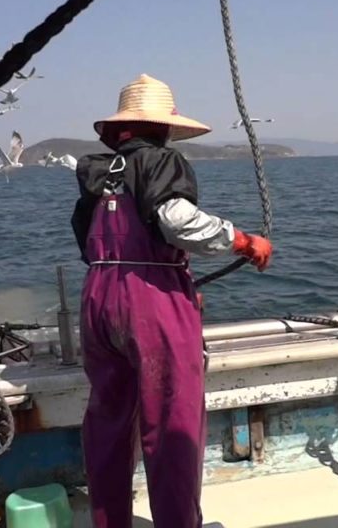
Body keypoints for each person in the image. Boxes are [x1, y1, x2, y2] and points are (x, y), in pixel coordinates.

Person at [71, 74, 272, 527]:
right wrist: (241, 241)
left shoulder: (98, 172)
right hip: (151, 305)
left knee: (108, 420)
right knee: (172, 424)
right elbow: (177, 221)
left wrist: (150, 275)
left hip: (97, 299)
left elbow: (88, 244)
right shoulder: (162, 161)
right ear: (162, 127)